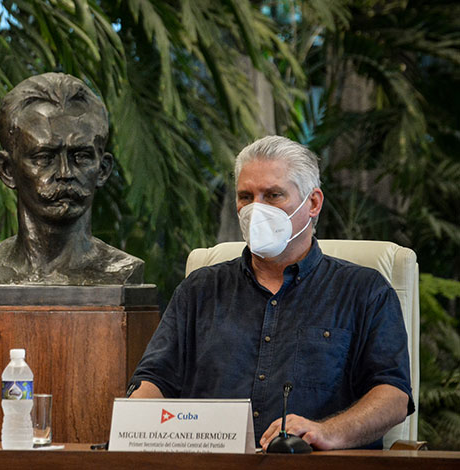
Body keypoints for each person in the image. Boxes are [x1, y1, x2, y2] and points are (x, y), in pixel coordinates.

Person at [128, 135, 413, 450]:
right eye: (246, 196)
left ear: (313, 203)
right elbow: (153, 381)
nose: (256, 210)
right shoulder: (199, 289)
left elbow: (393, 396)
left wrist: (328, 432)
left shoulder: (365, 291)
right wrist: (135, 424)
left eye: (273, 195)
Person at [0, 73, 143, 285]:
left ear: (103, 169)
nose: (65, 173)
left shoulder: (120, 273)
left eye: (81, 157)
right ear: (7, 170)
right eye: (44, 157)